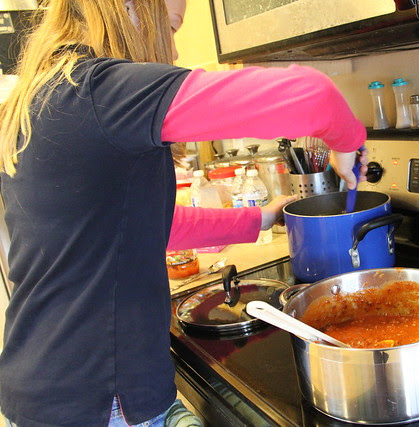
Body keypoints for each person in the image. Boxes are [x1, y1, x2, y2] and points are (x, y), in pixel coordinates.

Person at [0, 0, 368, 425]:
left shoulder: (44, 96)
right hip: (101, 397)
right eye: (172, 27)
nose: (173, 51)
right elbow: (314, 96)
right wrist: (347, 144)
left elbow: (140, 224)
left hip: (45, 377)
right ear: (131, 7)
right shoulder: (102, 91)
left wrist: (261, 218)